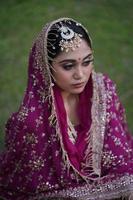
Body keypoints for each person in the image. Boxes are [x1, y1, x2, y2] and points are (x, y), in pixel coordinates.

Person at [0, 17, 133, 200]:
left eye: (87, 62)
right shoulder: (31, 121)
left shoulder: (103, 92)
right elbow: (27, 186)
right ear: (46, 67)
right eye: (68, 66)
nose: (80, 75)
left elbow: (120, 158)